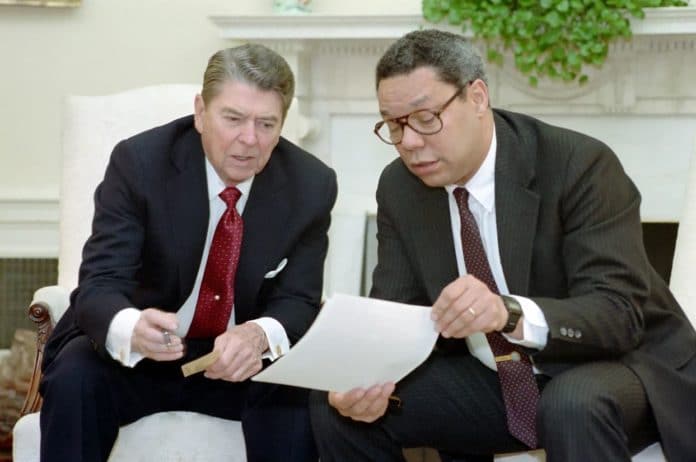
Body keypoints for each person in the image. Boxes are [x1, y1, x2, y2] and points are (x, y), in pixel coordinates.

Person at [309, 29, 696, 462]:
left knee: (571, 404)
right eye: (394, 125)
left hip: (619, 364)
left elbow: (617, 314)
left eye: (424, 118)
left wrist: (506, 311)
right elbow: (399, 311)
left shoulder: (577, 164)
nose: (410, 143)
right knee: (336, 407)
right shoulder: (401, 187)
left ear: (476, 98)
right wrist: (359, 370)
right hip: (497, 377)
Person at [39, 43, 337, 462]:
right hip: (142, 354)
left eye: (267, 124)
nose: (249, 140)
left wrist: (257, 336)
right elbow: (100, 282)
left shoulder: (311, 184)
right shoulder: (139, 163)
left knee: (295, 391)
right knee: (75, 376)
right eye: (233, 118)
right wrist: (131, 327)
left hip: (239, 363)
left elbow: (299, 299)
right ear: (201, 112)